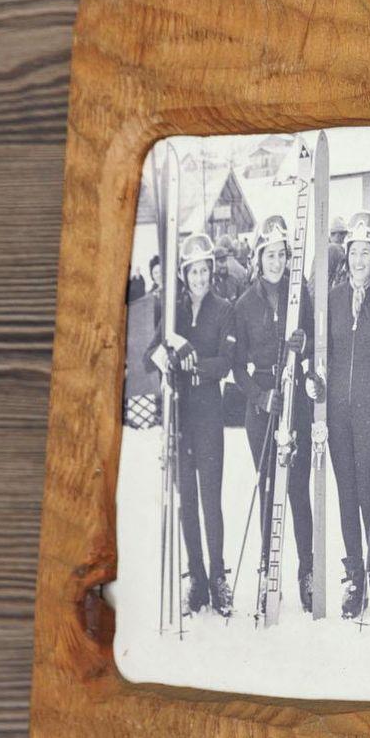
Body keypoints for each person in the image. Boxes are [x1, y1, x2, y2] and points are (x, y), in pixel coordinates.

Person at [309, 212, 370, 619]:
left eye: (366, 252)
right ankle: (354, 575)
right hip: (337, 413)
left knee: (369, 494)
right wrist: (316, 382)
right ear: (346, 256)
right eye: (354, 253)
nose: (359, 260)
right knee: (346, 495)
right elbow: (322, 354)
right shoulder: (332, 299)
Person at [149, 231, 238, 617]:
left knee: (210, 499)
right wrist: (171, 349)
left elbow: (226, 363)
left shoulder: (223, 308)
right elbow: (149, 356)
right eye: (193, 272)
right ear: (184, 275)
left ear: (211, 271)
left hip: (209, 413)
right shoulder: (175, 312)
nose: (199, 278)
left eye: (204, 271)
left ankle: (218, 577)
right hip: (181, 414)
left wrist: (192, 361)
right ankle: (197, 579)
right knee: (186, 499)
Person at [232, 215, 316, 615]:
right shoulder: (245, 304)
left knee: (298, 489)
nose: (277, 262)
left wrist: (305, 342)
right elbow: (236, 367)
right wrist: (260, 397)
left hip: (295, 397)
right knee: (268, 487)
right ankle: (269, 570)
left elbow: (315, 342)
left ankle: (308, 572)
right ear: (259, 257)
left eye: (282, 255)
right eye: (270, 255)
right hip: (263, 401)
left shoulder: (299, 293)